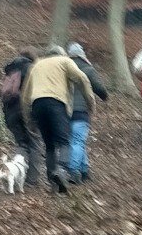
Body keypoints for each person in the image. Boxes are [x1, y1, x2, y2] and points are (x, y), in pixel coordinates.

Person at [21, 46, 95, 193]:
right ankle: (61, 170)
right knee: (64, 140)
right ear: (61, 54)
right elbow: (82, 78)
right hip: (56, 102)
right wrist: (90, 101)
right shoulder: (65, 61)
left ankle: (53, 184)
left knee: (49, 145)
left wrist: (27, 116)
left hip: (37, 104)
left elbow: (25, 95)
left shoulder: (36, 65)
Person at [65, 42, 108, 183]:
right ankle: (73, 171)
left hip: (65, 110)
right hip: (81, 111)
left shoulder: (64, 68)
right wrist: (105, 96)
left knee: (75, 140)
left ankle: (84, 170)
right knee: (77, 140)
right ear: (82, 54)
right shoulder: (88, 69)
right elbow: (98, 88)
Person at [0, 51, 37, 177]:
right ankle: (32, 178)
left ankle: (14, 173)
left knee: (21, 143)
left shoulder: (9, 70)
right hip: (25, 110)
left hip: (9, 112)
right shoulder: (31, 69)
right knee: (34, 143)